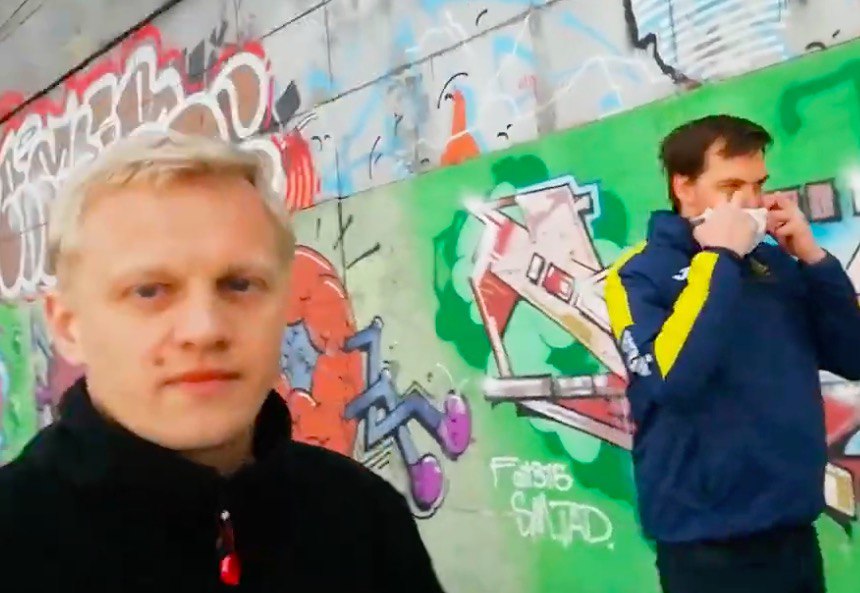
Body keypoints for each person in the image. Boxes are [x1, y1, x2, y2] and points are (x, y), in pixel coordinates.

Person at [0, 132, 447, 593]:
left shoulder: (363, 518)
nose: (205, 328)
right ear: (69, 326)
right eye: (149, 290)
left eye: (240, 284)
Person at [605, 114, 860, 593]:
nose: (749, 202)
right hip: (703, 541)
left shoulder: (775, 265)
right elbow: (672, 379)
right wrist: (719, 257)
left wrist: (814, 259)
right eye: (730, 187)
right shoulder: (638, 274)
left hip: (791, 528)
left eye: (757, 185)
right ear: (684, 186)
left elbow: (854, 357)